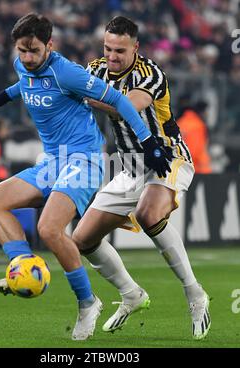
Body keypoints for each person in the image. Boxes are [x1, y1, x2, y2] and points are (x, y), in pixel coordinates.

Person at [0, 13, 171, 341]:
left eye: (34, 50)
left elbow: (118, 98)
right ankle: (21, 266)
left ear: (50, 45)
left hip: (83, 160)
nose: (27, 58)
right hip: (52, 162)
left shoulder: (68, 73)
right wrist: (1, 98)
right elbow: (24, 81)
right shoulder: (23, 65)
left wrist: (148, 142)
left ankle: (88, 303)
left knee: (49, 228)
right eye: (21, 50)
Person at [72, 16, 211, 340]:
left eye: (120, 50)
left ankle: (194, 293)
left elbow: (126, 107)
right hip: (130, 166)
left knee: (149, 214)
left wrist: (85, 97)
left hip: (166, 158)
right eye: (108, 48)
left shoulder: (149, 74)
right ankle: (132, 294)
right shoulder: (96, 69)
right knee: (82, 240)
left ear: (136, 47)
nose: (112, 56)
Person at [177, 99, 212, 174]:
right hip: (197, 169)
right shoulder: (198, 125)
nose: (207, 114)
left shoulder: (180, 122)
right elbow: (194, 150)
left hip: (180, 167)